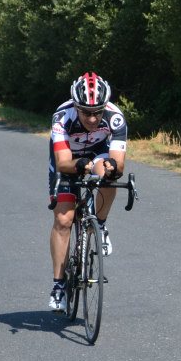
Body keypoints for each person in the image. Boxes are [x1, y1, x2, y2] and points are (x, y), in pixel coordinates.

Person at [47, 71, 127, 313]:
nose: (92, 119)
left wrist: (109, 168)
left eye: (97, 112)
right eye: (86, 112)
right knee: (64, 219)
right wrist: (82, 165)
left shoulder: (115, 117)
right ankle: (58, 286)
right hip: (68, 158)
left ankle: (99, 225)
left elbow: (119, 164)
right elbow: (63, 162)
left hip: (98, 153)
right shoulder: (62, 117)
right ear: (76, 106)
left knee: (110, 175)